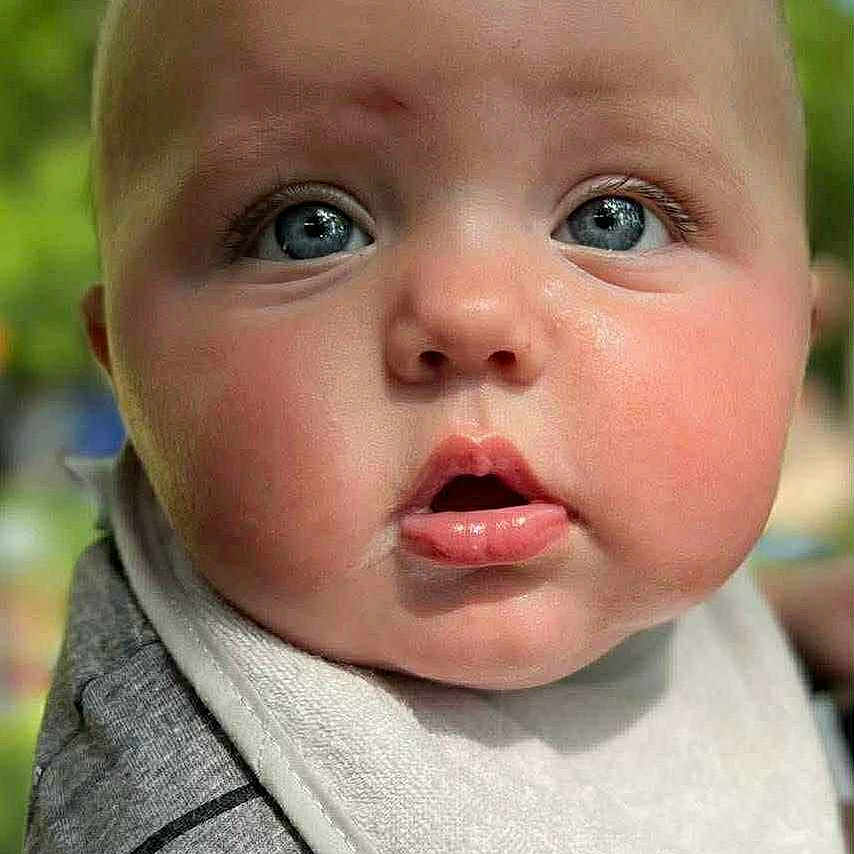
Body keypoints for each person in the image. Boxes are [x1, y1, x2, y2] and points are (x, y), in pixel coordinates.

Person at [23, 0, 848, 850]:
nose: (470, 312)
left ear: (798, 339)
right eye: (310, 231)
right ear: (123, 370)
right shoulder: (210, 814)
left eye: (613, 219)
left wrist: (776, 630)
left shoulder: (648, 591)